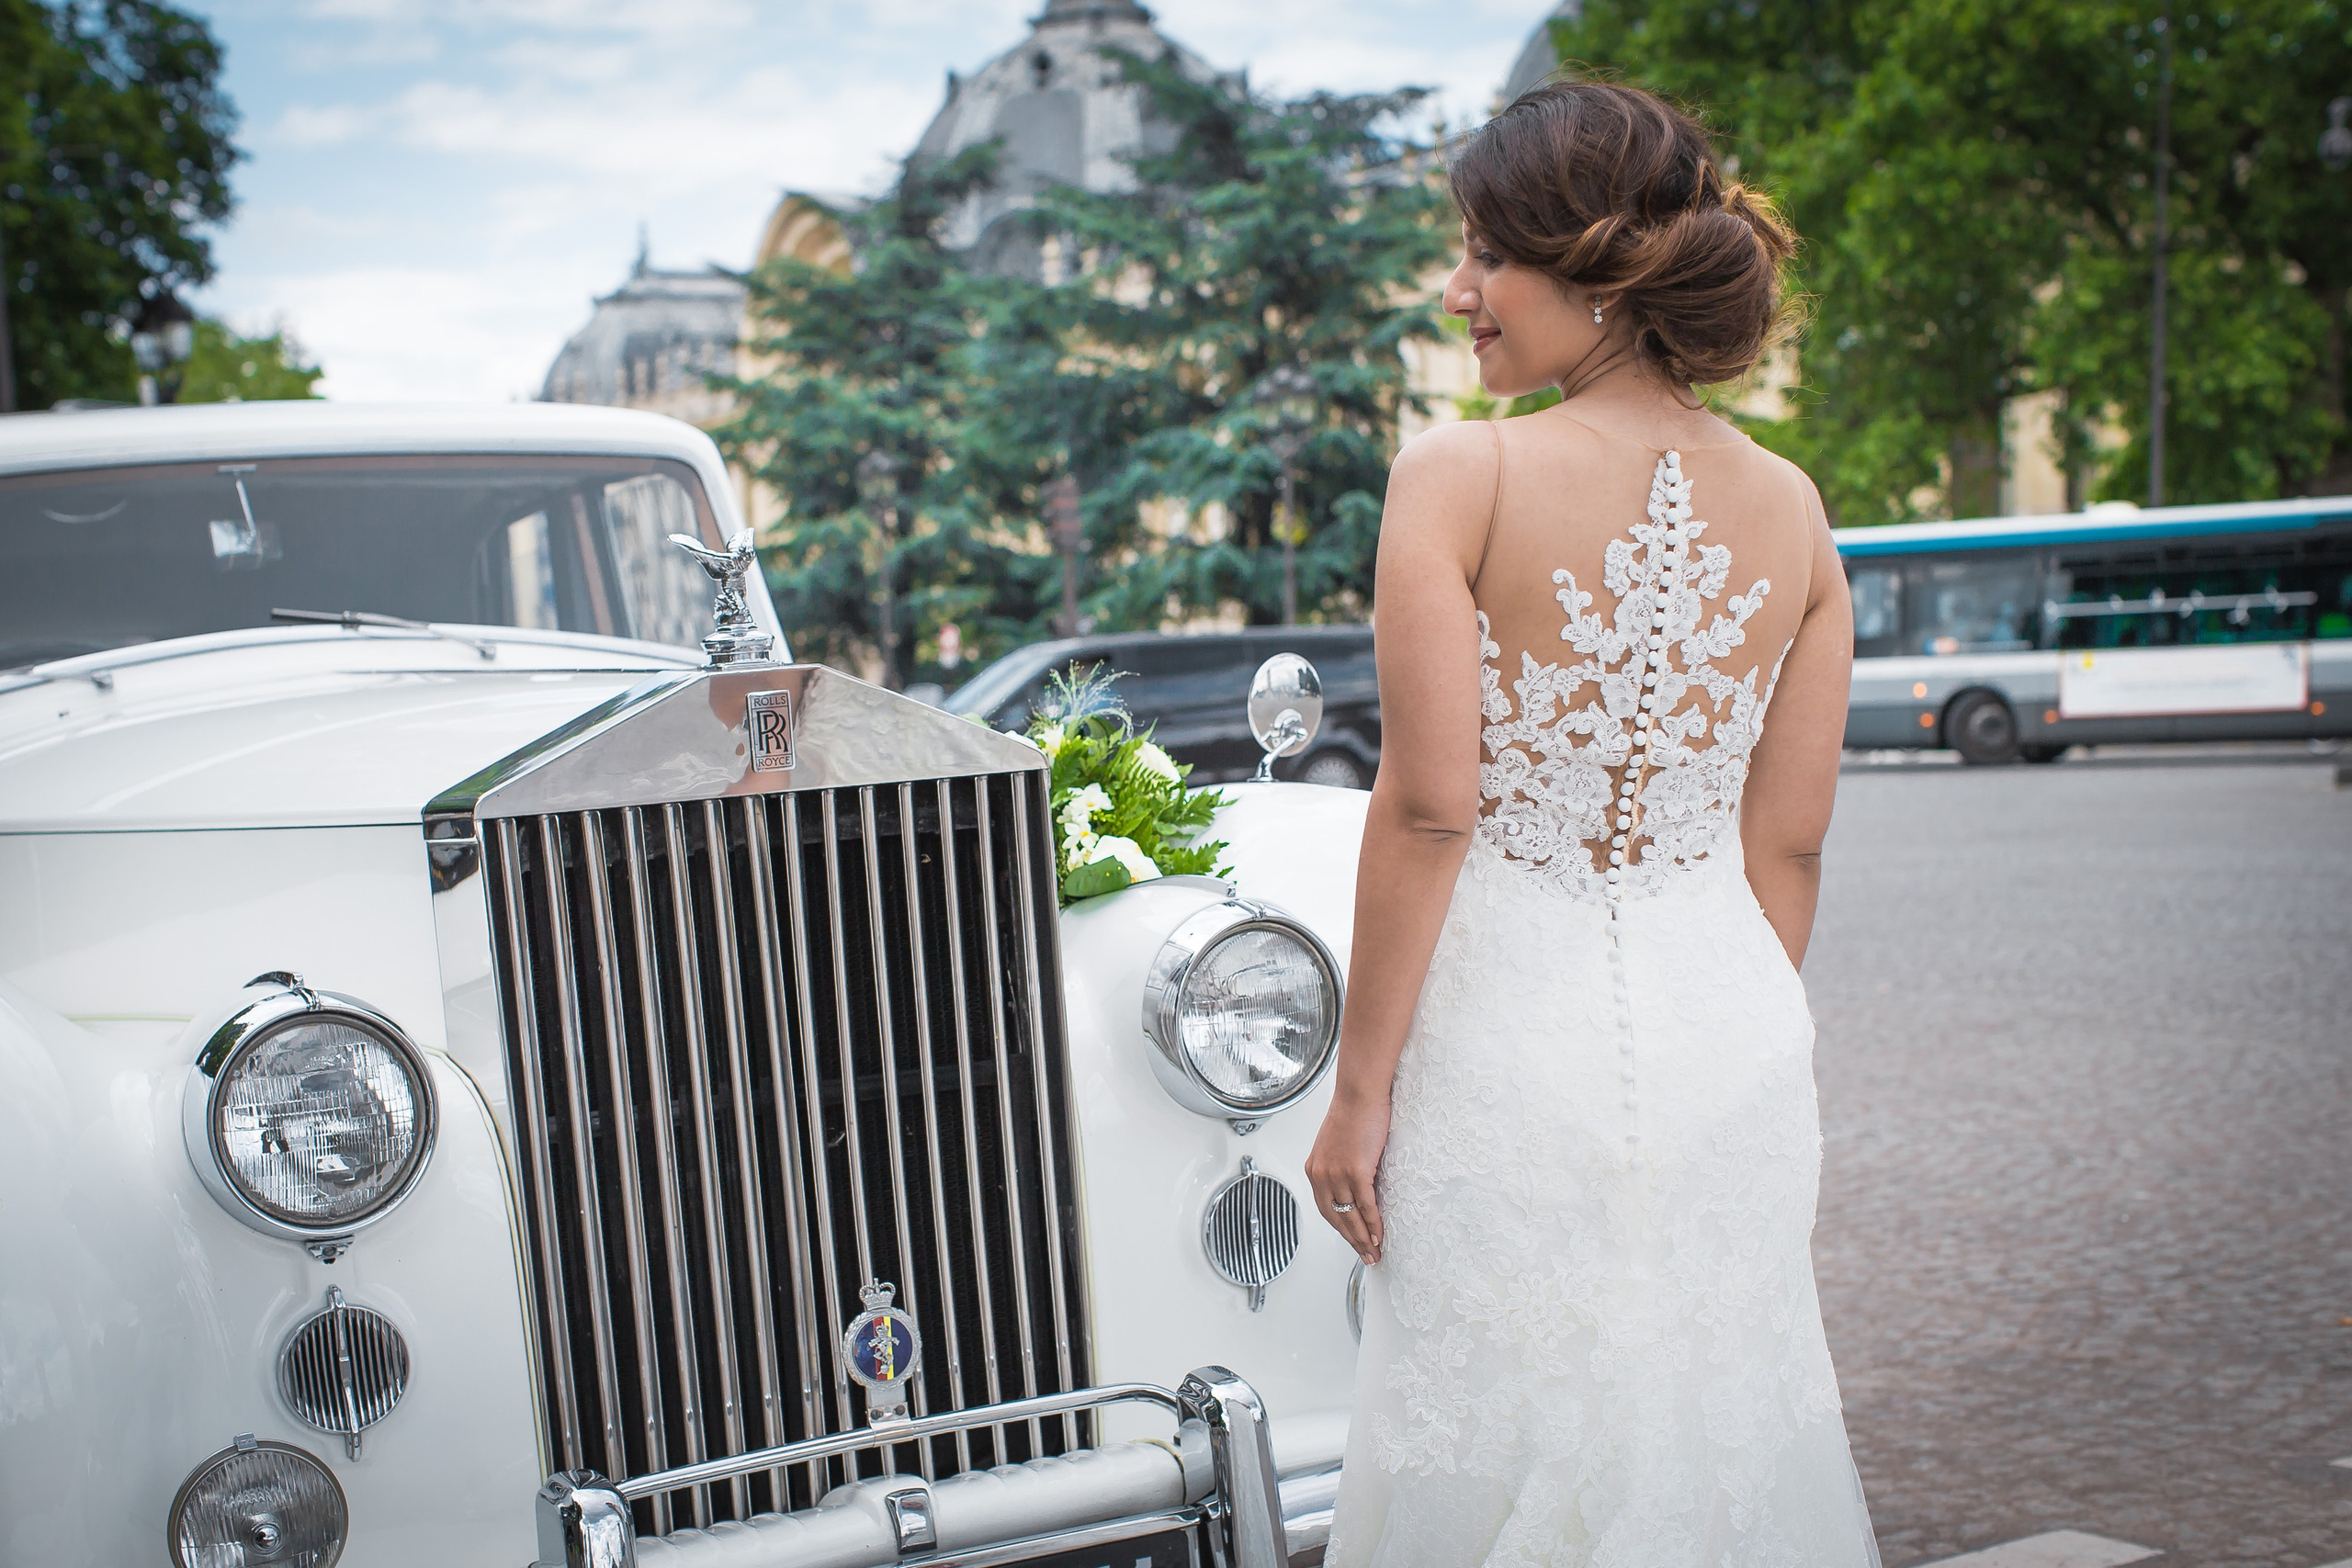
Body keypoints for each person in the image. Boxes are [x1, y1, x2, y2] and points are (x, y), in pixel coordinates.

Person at [1306, 80, 1881, 1565]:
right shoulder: (1798, 510)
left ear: (1599, 269)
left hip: (1509, 1038)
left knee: (1488, 1430)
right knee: (1721, 1422)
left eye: (1488, 252)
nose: (1460, 293)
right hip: (1733, 1034)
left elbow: (1432, 808)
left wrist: (1359, 1090)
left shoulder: (1460, 474)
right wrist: (1735, 1021)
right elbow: (1791, 847)